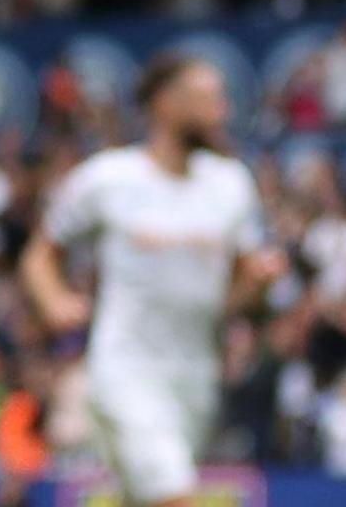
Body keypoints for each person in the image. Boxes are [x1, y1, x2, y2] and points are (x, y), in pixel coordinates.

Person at [19, 53, 283, 507]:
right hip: (126, 371)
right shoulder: (108, 178)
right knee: (174, 495)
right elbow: (40, 254)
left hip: (195, 377)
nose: (223, 111)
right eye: (208, 98)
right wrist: (54, 300)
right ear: (165, 104)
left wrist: (258, 284)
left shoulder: (231, 184)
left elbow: (230, 302)